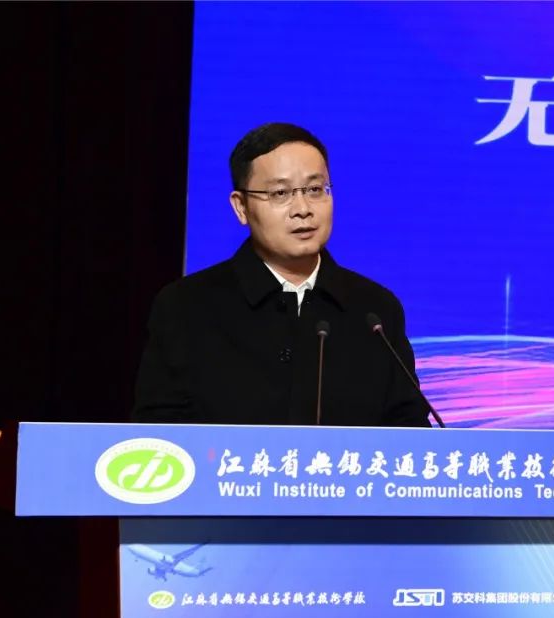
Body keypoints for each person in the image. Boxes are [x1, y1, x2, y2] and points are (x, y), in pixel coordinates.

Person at [132, 122, 431, 428]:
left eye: (315, 190)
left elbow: (409, 432)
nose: (302, 209)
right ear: (241, 207)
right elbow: (157, 434)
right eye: (280, 193)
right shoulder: (186, 307)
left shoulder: (375, 311)